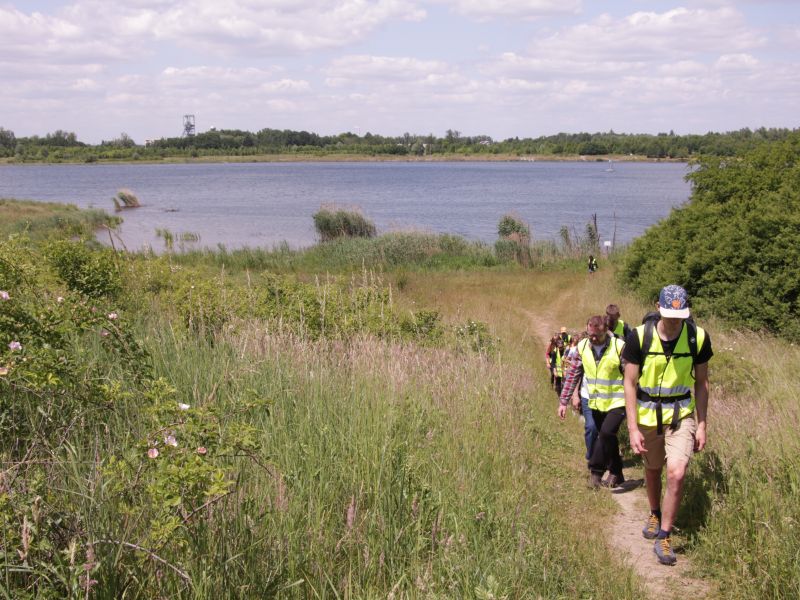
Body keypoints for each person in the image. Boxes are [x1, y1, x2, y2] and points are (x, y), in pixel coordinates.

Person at [622, 284, 712, 566]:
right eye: (671, 315)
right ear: (658, 307)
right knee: (652, 468)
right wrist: (633, 428)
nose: (675, 322)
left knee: (676, 472)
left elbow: (702, 383)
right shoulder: (639, 337)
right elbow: (630, 383)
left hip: (681, 415)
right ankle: (654, 511)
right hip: (648, 417)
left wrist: (702, 424)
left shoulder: (697, 338)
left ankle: (664, 535)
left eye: (681, 316)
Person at [558, 316, 626, 488]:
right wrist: (564, 401)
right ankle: (617, 472)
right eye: (591, 335)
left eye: (597, 335)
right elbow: (573, 374)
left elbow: (632, 377)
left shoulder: (619, 347)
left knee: (605, 433)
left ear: (606, 331)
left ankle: (595, 473)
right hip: (595, 401)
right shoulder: (582, 347)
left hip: (617, 401)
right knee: (608, 437)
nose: (593, 338)